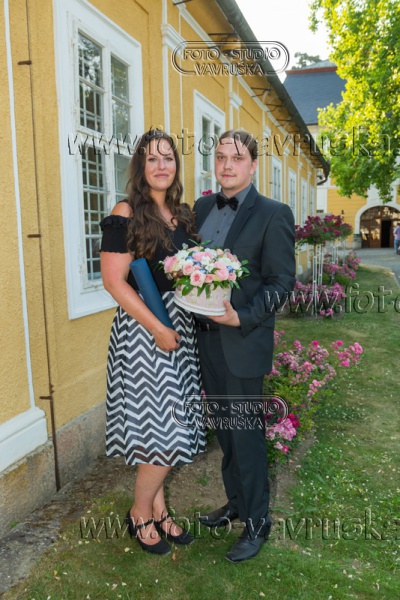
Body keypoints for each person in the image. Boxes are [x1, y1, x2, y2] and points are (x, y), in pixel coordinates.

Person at [100, 129, 205, 556]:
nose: (162, 166)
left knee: (165, 426)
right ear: (140, 167)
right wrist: (157, 328)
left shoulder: (183, 215)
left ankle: (159, 509)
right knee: (165, 430)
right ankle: (140, 512)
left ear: (176, 165)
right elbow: (114, 282)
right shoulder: (125, 211)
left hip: (181, 328)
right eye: (152, 159)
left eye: (168, 158)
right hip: (144, 331)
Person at [194, 129, 296, 563]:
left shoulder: (274, 213)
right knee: (225, 432)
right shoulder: (201, 208)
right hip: (204, 341)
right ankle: (235, 503)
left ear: (253, 166)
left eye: (236, 158)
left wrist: (244, 316)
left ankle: (258, 523)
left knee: (247, 436)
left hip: (242, 341)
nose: (227, 165)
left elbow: (281, 282)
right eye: (220, 157)